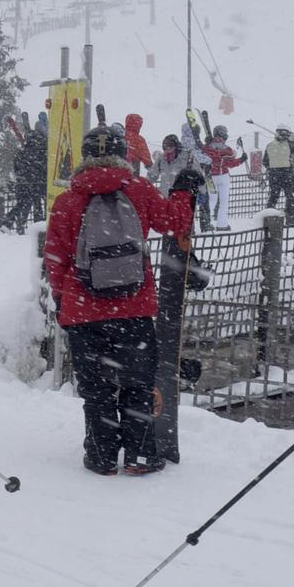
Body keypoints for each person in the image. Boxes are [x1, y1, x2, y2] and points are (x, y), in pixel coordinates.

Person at [45, 124, 196, 477]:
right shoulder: (139, 190)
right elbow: (174, 221)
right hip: (134, 308)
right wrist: (184, 192)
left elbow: (56, 258)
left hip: (84, 312)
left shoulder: (68, 201)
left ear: (84, 157)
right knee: (138, 385)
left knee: (96, 389)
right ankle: (140, 455)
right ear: (123, 154)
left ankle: (100, 456)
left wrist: (62, 299)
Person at [4, 119, 47, 233]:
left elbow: (16, 165)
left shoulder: (24, 150)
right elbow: (45, 165)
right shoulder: (43, 147)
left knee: (23, 204)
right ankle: (38, 228)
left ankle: (14, 224)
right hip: (38, 182)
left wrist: (21, 176)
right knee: (37, 205)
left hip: (23, 181)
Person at [201, 124, 246, 231]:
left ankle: (206, 223)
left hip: (210, 176)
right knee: (224, 202)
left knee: (211, 200)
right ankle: (222, 224)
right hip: (223, 176)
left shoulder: (207, 147)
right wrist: (241, 159)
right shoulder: (226, 149)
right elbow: (230, 163)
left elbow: (205, 157)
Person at [263, 123, 294, 220]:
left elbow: (265, 161)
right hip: (287, 173)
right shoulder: (290, 145)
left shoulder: (270, 145)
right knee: (290, 195)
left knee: (274, 195)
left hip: (274, 174)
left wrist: (272, 167)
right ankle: (290, 216)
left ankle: (268, 216)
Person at [124, 113, 152, 177]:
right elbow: (146, 158)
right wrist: (150, 166)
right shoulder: (139, 140)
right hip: (133, 169)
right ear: (139, 125)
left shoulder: (120, 136)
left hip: (118, 169)